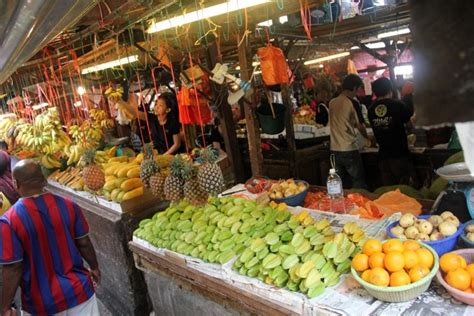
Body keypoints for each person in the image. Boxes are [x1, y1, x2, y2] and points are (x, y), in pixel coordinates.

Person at [0, 159, 100, 316]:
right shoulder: (69, 205)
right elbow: (84, 243)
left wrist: (4, 306)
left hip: (40, 303)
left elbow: (13, 268)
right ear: (43, 179)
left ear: (15, 183)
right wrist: (94, 267)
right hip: (79, 291)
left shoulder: (10, 221)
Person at [368, 77, 416, 186]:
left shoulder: (370, 110)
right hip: (399, 155)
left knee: (390, 191)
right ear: (390, 90)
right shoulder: (397, 105)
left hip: (383, 157)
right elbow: (409, 125)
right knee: (405, 189)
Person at [328, 74, 369, 189]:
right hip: (349, 148)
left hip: (334, 149)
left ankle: (340, 205)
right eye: (358, 89)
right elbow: (361, 126)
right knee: (357, 180)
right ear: (355, 88)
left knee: (339, 183)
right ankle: (358, 204)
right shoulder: (353, 103)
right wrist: (367, 138)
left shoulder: (332, 103)